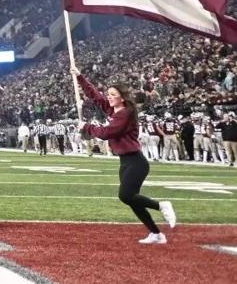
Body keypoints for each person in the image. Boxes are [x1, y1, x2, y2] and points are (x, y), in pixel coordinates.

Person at [73, 64, 175, 244]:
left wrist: (87, 127)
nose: (109, 97)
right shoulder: (114, 109)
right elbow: (95, 96)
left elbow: (106, 133)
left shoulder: (125, 113)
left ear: (122, 97)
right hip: (125, 161)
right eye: (109, 94)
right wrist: (80, 77)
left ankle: (161, 205)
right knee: (132, 199)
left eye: (113, 95)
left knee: (125, 195)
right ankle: (156, 234)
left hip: (136, 161)